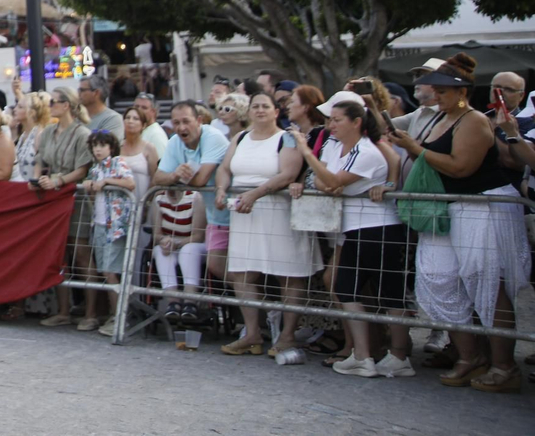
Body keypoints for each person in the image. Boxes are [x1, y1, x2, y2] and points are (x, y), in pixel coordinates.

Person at [388, 63, 529, 393]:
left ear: (463, 92)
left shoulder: (474, 120)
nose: (436, 95)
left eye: (443, 91)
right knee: (439, 277)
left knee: (487, 281)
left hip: (482, 203)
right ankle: (470, 356)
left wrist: (415, 149)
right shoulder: (438, 117)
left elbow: (462, 167)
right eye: (434, 90)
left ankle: (504, 366)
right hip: (450, 207)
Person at [295, 98, 413, 378]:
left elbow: (332, 182)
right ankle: (362, 354)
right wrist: (326, 179)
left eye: (337, 120)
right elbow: (323, 181)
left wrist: (307, 153)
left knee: (389, 293)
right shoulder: (338, 147)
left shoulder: (369, 150)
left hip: (379, 226)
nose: (330, 125)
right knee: (346, 288)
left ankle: (398, 355)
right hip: (354, 228)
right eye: (330, 120)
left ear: (356, 122)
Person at [215, 91, 319, 357]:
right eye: (255, 106)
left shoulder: (285, 138)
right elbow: (225, 168)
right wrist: (220, 189)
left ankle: (287, 336)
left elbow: (288, 173)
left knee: (288, 274)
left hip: (278, 211)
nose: (260, 110)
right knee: (242, 273)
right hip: (244, 212)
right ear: (248, 112)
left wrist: (254, 194)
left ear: (276, 111)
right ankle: (252, 333)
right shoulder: (239, 137)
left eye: (265, 106)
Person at [153, 101, 229, 299]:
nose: (181, 128)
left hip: (236, 211)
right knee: (217, 266)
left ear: (199, 121)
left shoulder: (213, 137)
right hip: (216, 217)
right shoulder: (174, 142)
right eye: (176, 122)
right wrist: (174, 175)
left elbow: (202, 180)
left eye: (186, 121)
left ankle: (266, 310)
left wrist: (178, 177)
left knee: (241, 270)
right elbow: (157, 178)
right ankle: (178, 303)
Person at [33, 86, 93, 328]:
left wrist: (59, 180)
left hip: (75, 197)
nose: (50, 106)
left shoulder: (82, 134)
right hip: (54, 199)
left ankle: (90, 313)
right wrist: (37, 177)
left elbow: (82, 168)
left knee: (81, 253)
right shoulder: (48, 132)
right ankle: (63, 311)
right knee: (59, 254)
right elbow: (40, 159)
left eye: (53, 102)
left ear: (66, 105)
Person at [84, 130, 135, 336]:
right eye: (95, 145)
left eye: (102, 145)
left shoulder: (118, 163)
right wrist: (89, 185)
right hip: (99, 223)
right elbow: (90, 185)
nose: (98, 149)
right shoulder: (95, 169)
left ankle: (118, 316)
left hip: (114, 225)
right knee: (105, 270)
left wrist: (107, 182)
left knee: (111, 271)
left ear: (111, 147)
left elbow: (130, 183)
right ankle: (113, 314)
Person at [152, 185, 208, 323]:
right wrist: (164, 240)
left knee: (188, 250)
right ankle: (173, 302)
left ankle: (190, 301)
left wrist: (176, 243)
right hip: (171, 242)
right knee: (160, 251)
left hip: (192, 242)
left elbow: (198, 236)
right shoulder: (159, 198)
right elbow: (156, 235)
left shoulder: (195, 197)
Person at [10, 90, 50, 183]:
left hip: (33, 189)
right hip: (20, 188)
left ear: (31, 112)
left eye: (20, 107)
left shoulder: (40, 135)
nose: (15, 109)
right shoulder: (23, 135)